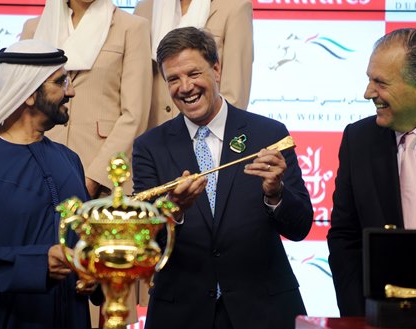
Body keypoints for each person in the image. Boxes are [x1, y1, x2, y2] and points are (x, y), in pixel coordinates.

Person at [132, 27, 313, 329]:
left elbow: (300, 227)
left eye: (193, 73)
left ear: (216, 69)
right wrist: (172, 210)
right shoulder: (149, 146)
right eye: (173, 79)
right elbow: (143, 244)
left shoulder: (268, 135)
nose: (185, 87)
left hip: (263, 311)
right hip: (181, 314)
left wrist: (275, 194)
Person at [327, 28, 416, 316]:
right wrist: (361, 315)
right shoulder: (357, 140)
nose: (368, 93)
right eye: (369, 80)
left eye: (380, 83)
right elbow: (345, 238)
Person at [0, 39, 95, 329]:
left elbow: (86, 242)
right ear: (29, 94)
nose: (71, 91)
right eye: (61, 82)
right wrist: (39, 263)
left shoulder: (70, 159)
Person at [21, 0, 152, 198]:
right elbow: (22, 102)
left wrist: (95, 178)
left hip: (101, 173)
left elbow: (135, 116)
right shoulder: (34, 28)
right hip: (39, 165)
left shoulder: (132, 28)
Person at [134, 0, 253, 129]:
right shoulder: (144, 9)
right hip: (156, 135)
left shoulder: (234, 7)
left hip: (210, 135)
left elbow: (235, 94)